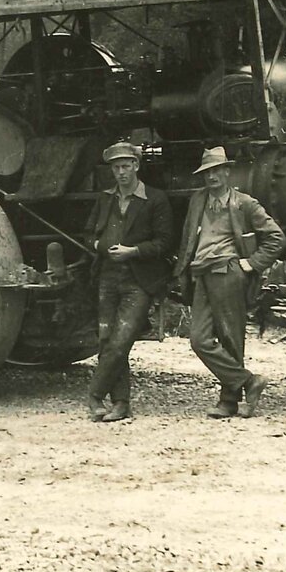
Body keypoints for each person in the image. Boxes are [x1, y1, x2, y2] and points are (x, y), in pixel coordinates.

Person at [174, 147, 285, 418]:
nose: (212, 177)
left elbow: (275, 238)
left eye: (216, 171)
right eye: (207, 172)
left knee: (231, 339)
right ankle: (249, 381)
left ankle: (228, 402)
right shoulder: (198, 201)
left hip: (228, 273)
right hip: (201, 275)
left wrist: (251, 264)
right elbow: (190, 238)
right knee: (199, 340)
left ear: (227, 172)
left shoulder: (244, 203)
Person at [84, 142, 175, 422]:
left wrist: (133, 252)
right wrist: (101, 245)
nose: (121, 172)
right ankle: (121, 403)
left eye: (126, 166)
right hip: (108, 277)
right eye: (116, 167)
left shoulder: (155, 199)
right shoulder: (105, 198)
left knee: (121, 340)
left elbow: (165, 242)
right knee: (106, 339)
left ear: (136, 166)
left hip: (139, 280)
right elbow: (88, 234)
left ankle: (94, 394)